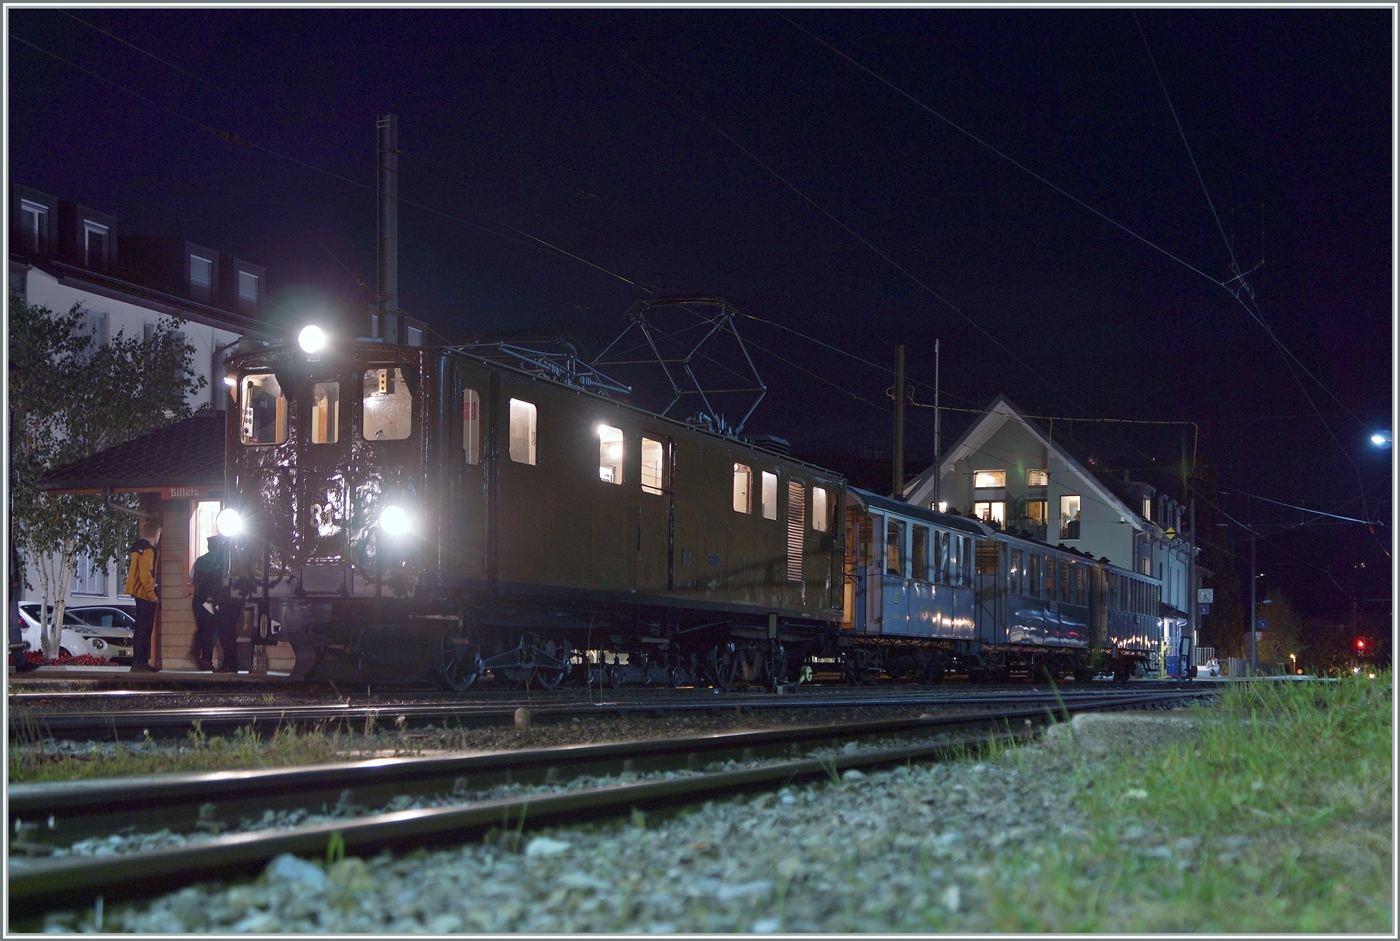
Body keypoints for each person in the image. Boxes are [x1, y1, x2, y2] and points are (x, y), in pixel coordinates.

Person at [190, 534, 239, 673]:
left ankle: (201, 657)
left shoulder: (199, 561)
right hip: (215, 601)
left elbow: (192, 579)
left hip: (198, 600)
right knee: (213, 630)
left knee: (203, 629)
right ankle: (207, 660)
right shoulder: (225, 562)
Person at [125, 519, 161, 672]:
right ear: (156, 534)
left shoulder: (137, 548)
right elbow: (146, 574)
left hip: (137, 592)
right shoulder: (148, 550)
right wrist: (152, 595)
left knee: (140, 628)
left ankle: (138, 661)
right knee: (145, 629)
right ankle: (140, 662)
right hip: (145, 594)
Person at [9, 544, 38, 672]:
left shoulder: (9, 542)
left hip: (9, 588)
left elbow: (13, 560)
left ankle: (20, 663)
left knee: (14, 627)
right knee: (13, 627)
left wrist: (15, 579)